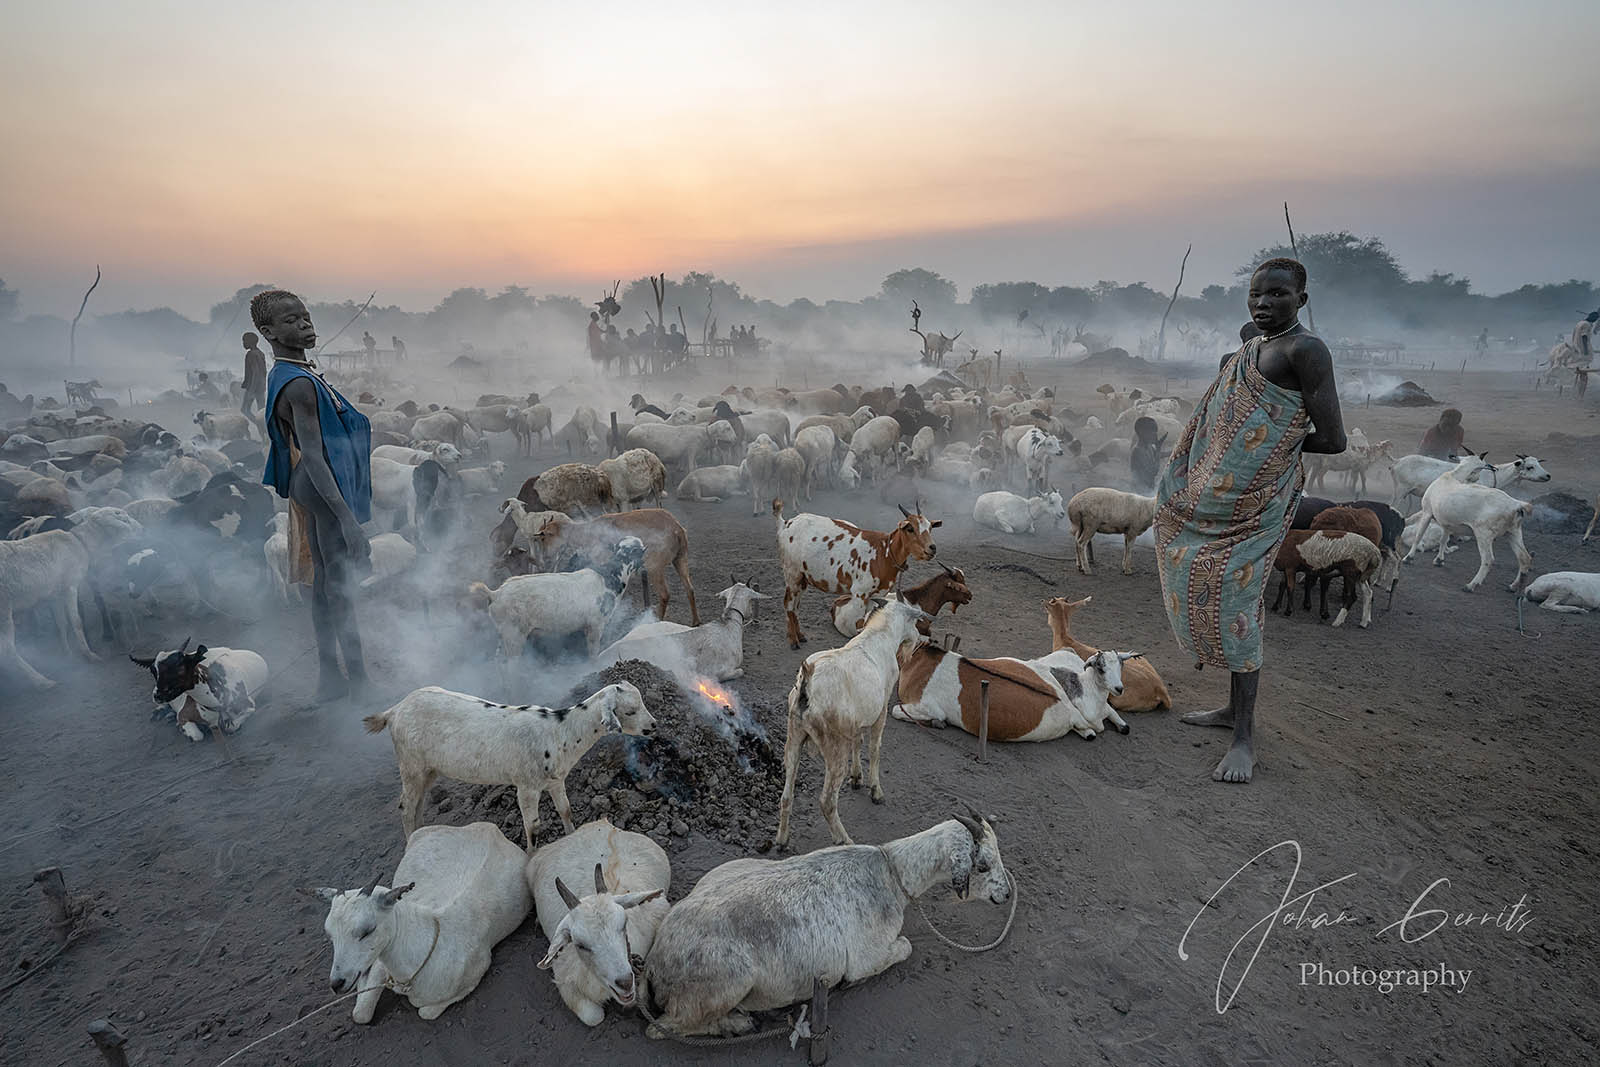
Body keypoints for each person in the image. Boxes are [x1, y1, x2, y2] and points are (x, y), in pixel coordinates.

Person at [1153, 257, 1346, 784]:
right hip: (1217, 501)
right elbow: (1221, 421)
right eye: (1256, 295)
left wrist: (1263, 450)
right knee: (1207, 582)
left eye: (1278, 295)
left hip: (1259, 504)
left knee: (1240, 606)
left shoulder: (1306, 350)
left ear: (1301, 300)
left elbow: (1332, 438)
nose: (1264, 304)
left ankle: (1245, 740)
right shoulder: (1248, 351)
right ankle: (1230, 711)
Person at [256, 289, 372, 701]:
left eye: (305, 316)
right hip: (323, 491)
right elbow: (317, 456)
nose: (304, 324)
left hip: (314, 488)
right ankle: (355, 679)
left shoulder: (295, 374)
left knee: (325, 584)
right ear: (268, 332)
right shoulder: (300, 385)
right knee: (337, 586)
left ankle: (331, 677)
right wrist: (347, 519)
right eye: (290, 320)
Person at [240, 331, 267, 416]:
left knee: (245, 409)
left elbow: (256, 373)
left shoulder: (251, 354)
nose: (243, 343)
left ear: (249, 342)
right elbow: (263, 372)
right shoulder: (260, 353)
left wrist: (251, 390)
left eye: (244, 341)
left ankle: (260, 426)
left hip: (253, 386)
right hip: (261, 386)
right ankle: (263, 427)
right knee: (262, 411)